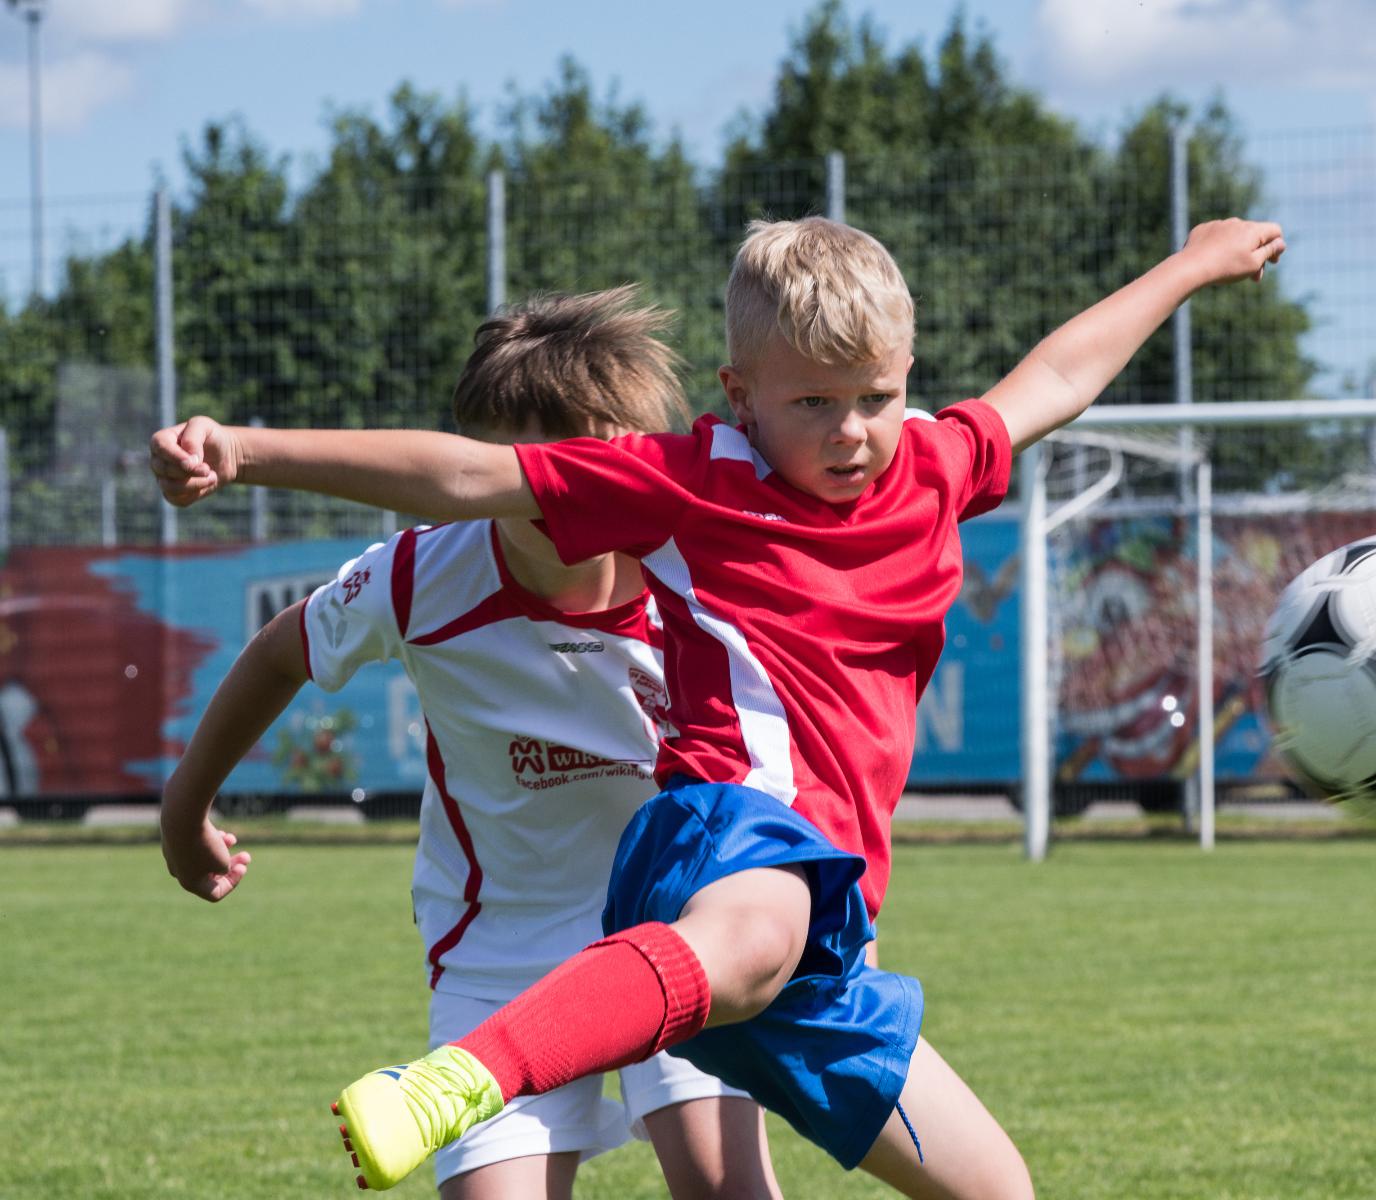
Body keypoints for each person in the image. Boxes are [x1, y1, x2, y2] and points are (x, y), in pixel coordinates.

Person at [151, 215, 1286, 1198]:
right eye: (814, 404)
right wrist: (244, 449)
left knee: (994, 1184)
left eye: (874, 398)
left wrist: (1186, 267)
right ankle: (468, 1076)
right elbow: (454, 477)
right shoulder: (692, 482)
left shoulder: (936, 464)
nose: (850, 431)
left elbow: (1055, 379)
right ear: (741, 399)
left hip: (819, 918)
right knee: (748, 940)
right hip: (720, 847)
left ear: (907, 376)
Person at [156, 287, 783, 1200]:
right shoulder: (419, 576)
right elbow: (282, 650)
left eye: (576, 466)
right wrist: (186, 803)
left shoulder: (696, 572)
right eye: (504, 465)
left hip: (677, 924)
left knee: (724, 1183)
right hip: (502, 949)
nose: (536, 492)